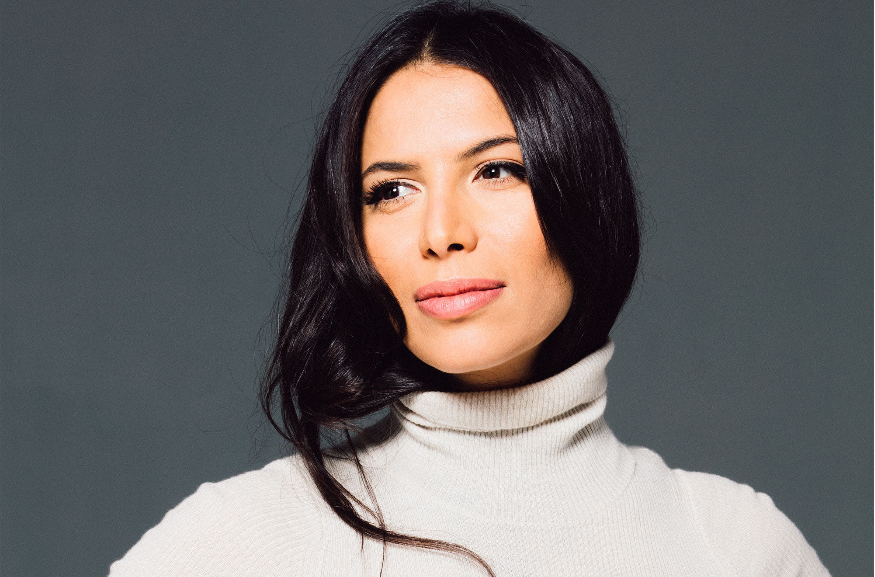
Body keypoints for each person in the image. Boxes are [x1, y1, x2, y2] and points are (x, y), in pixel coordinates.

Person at [109, 1, 830, 575]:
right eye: (391, 190)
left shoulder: (734, 548)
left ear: (584, 193)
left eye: (496, 171)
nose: (441, 232)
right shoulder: (238, 543)